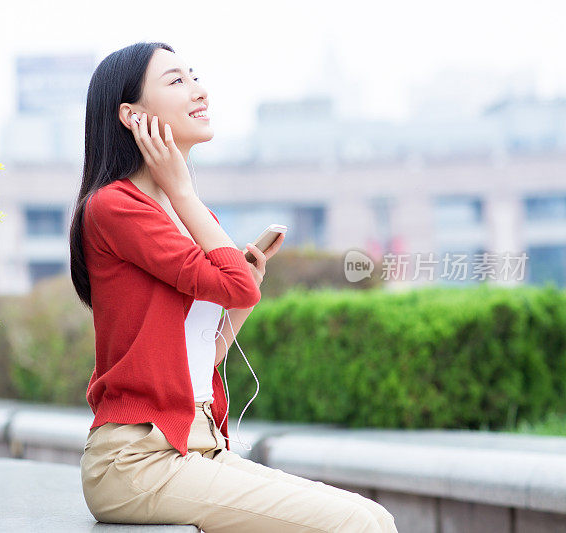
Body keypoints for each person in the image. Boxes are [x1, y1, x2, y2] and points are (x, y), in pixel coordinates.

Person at [68, 41, 398, 533]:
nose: (199, 91)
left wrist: (240, 286)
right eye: (176, 81)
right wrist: (183, 192)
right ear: (131, 115)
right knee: (356, 526)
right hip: (137, 462)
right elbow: (237, 284)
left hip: (195, 449)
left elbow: (205, 353)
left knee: (375, 516)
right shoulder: (115, 207)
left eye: (194, 76)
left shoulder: (190, 218)